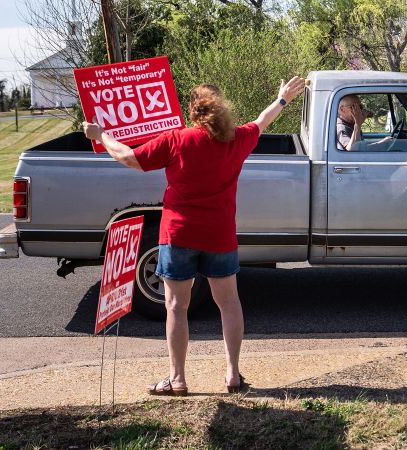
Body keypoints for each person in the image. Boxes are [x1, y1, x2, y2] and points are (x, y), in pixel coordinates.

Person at [83, 77, 306, 396]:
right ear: (222, 110)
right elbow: (262, 120)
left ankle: (177, 379)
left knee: (175, 306)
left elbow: (129, 158)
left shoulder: (176, 139)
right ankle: (232, 374)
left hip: (178, 235)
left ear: (193, 111)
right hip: (220, 235)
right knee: (229, 302)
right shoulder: (237, 139)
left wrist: (101, 135)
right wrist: (282, 98)